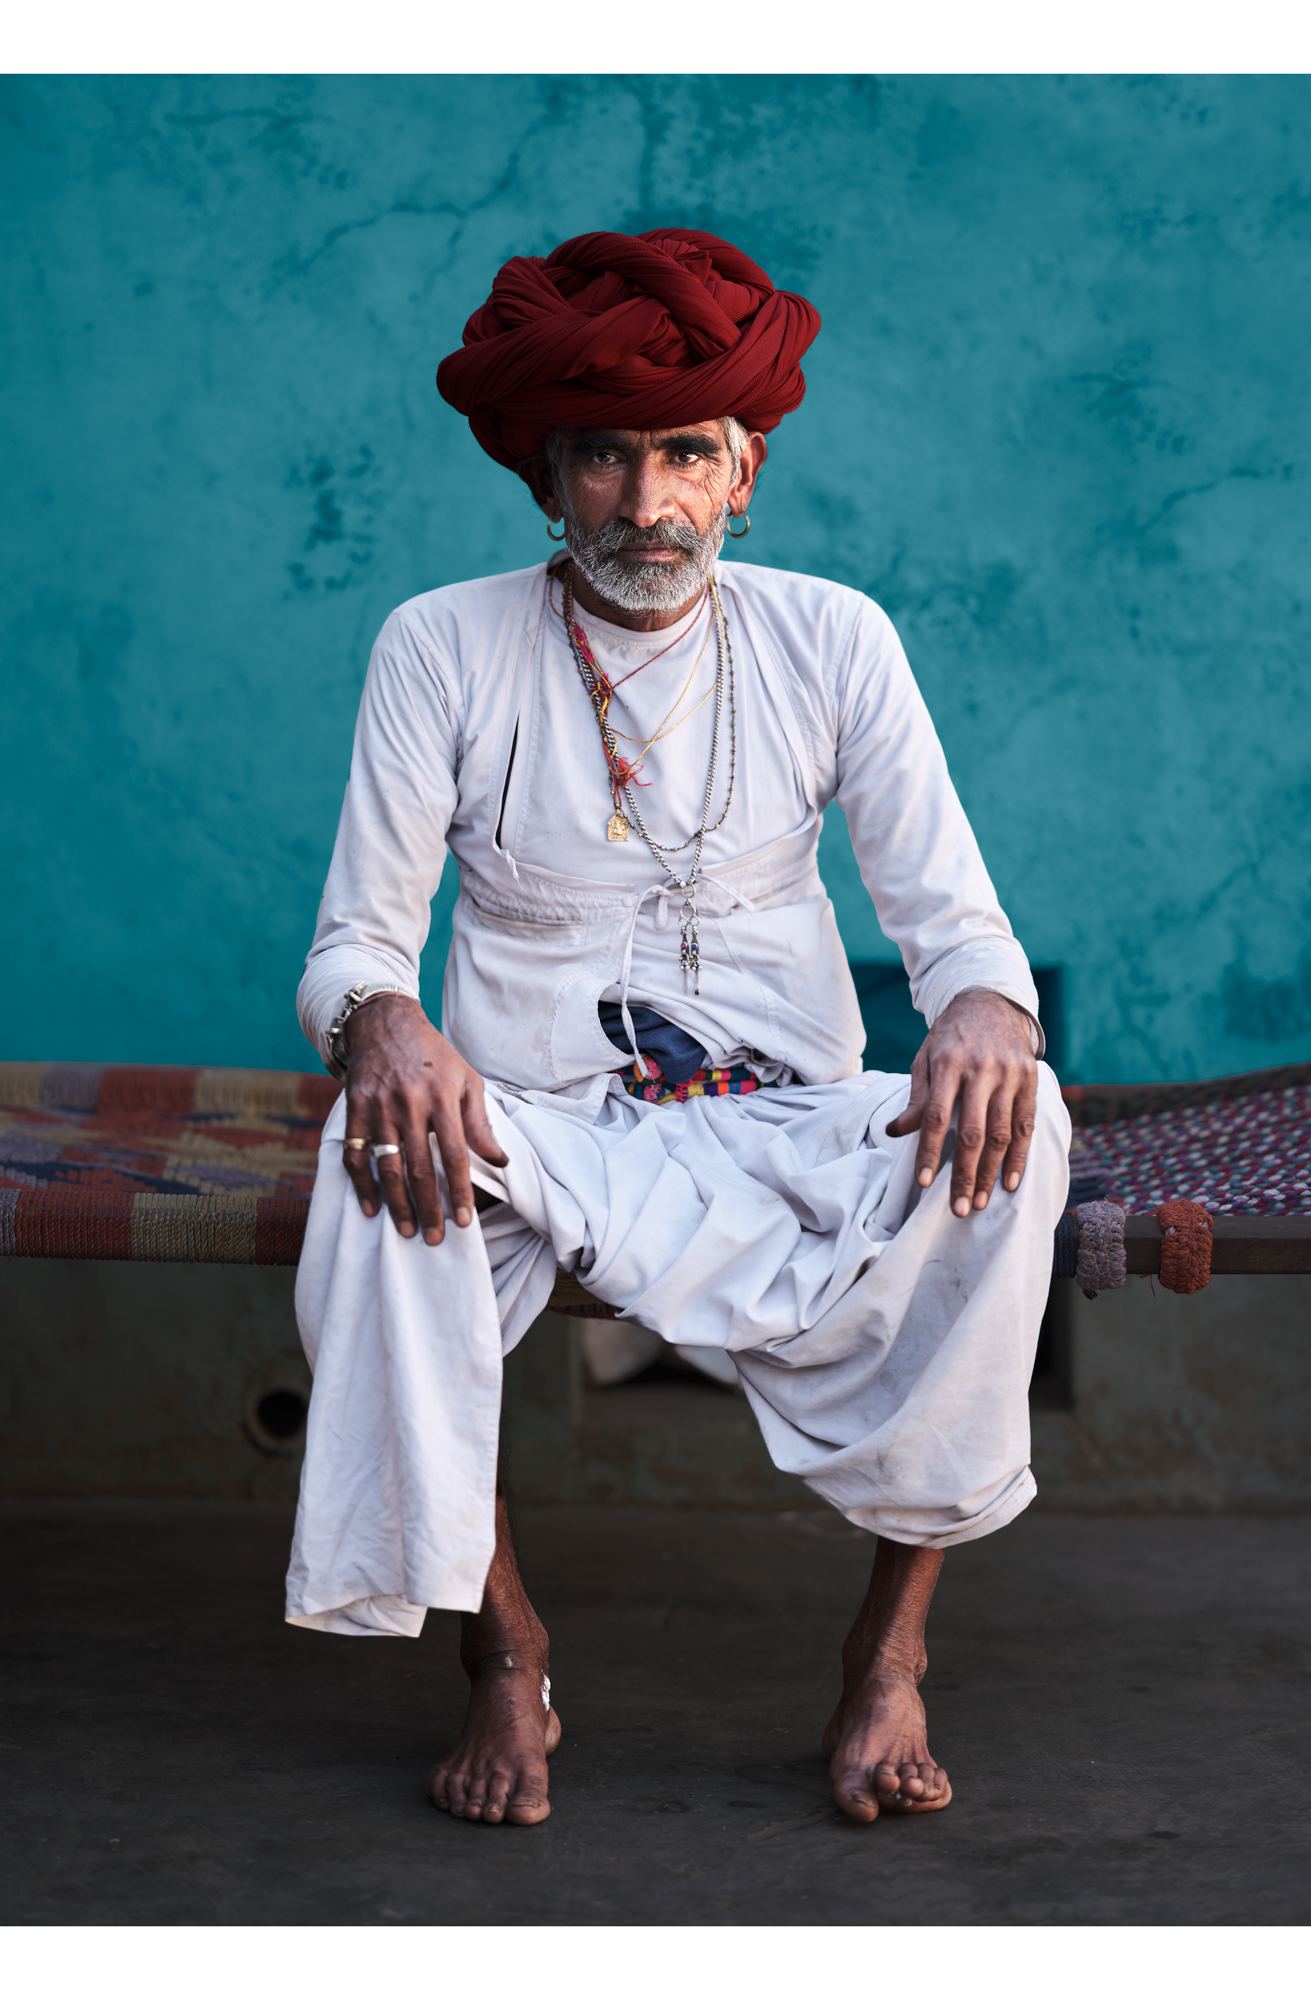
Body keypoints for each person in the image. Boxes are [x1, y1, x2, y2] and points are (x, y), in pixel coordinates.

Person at [285, 228, 1070, 1827]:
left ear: (743, 471)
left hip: (785, 1108)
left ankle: (889, 1652)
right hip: (537, 1116)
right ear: (544, 478)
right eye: (602, 458)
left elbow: (953, 918)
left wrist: (987, 1010)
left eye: (684, 456)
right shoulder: (440, 642)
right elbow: (358, 938)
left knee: (1020, 1125)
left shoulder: (832, 635)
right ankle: (501, 1652)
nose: (645, 504)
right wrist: (381, 1024)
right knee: (376, 1164)